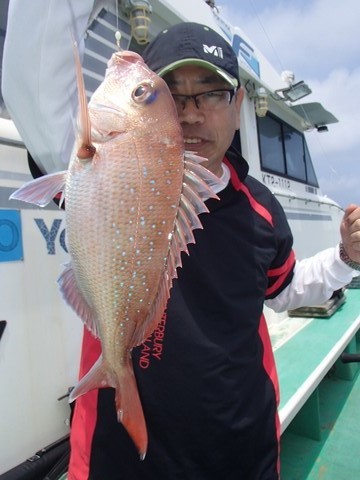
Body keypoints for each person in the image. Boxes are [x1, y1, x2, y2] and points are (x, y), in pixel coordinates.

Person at [2, 3, 360, 479]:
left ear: (236, 105)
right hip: (122, 455)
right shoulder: (104, 168)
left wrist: (344, 258)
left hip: (240, 447)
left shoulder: (259, 209)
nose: (192, 114)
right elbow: (33, 75)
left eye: (210, 94)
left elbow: (285, 289)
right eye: (172, 94)